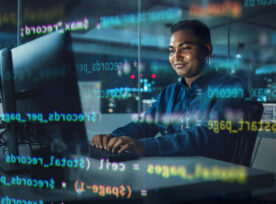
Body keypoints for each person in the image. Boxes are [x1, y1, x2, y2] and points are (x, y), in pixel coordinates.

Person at [91, 20, 248, 162]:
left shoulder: (229, 86)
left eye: (185, 48)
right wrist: (113, 138)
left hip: (212, 179)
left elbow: (211, 136)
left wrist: (143, 146)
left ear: (207, 50)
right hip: (172, 174)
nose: (176, 57)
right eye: (172, 50)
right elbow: (145, 125)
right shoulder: (170, 93)